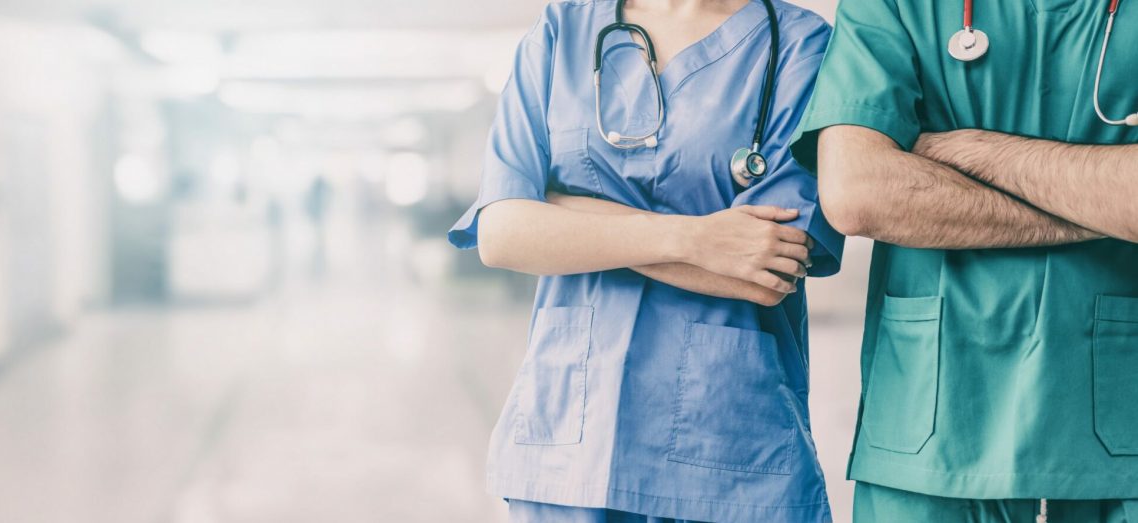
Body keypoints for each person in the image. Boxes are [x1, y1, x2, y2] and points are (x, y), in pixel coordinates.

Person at [448, 0, 844, 521]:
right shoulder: (561, 30)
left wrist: (561, 215)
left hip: (730, 446)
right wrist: (694, 239)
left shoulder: (799, 44)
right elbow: (503, 234)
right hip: (568, 444)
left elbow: (769, 266)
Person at [789, 0, 1138, 521]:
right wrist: (1104, 205)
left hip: (1116, 434)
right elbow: (858, 192)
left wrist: (979, 151)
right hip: (931, 425)